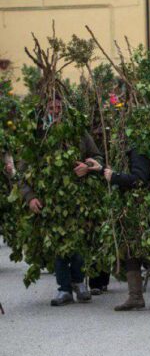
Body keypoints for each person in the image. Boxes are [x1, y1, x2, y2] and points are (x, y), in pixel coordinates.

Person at [19, 97, 105, 306]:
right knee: (57, 242)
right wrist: (30, 197)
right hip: (49, 200)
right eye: (51, 107)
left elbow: (97, 158)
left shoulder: (78, 133)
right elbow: (22, 171)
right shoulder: (37, 135)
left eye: (59, 106)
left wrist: (87, 167)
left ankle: (78, 281)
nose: (55, 110)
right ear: (45, 109)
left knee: (77, 241)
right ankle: (64, 288)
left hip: (77, 199)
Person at [93, 144, 150, 311]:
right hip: (131, 208)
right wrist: (102, 170)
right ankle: (135, 296)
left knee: (145, 251)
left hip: (139, 209)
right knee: (131, 250)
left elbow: (139, 179)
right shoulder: (132, 148)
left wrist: (114, 177)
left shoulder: (138, 150)